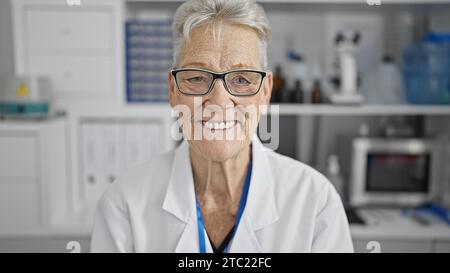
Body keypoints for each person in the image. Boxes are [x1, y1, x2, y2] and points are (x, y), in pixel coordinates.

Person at [91, 0, 353, 253]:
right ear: (173, 90)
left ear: (265, 92)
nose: (218, 101)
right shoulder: (124, 204)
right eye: (196, 77)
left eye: (241, 79)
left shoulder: (315, 201)